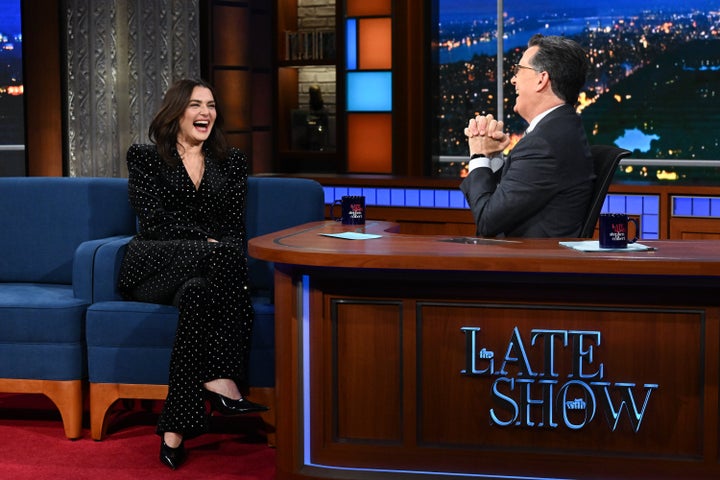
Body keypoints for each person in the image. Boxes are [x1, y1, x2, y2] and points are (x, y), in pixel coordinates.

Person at [117, 78, 268, 470]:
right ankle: (222, 379)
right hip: (157, 265)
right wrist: (210, 244)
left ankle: (175, 427)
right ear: (176, 112)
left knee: (202, 292)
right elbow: (154, 223)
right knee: (221, 258)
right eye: (196, 105)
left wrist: (221, 248)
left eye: (212, 105)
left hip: (205, 273)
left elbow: (235, 228)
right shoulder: (146, 158)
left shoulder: (231, 161)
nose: (206, 113)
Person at [460, 34, 595, 238]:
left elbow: (487, 220)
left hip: (529, 264)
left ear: (542, 79)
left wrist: (478, 156)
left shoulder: (545, 143)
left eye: (519, 71)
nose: (513, 79)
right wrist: (494, 157)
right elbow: (511, 199)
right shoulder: (560, 128)